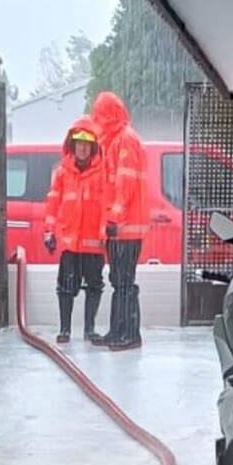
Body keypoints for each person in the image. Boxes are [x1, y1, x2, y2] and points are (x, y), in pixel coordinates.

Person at [91, 92, 148, 352]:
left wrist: (114, 217)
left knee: (124, 282)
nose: (98, 120)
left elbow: (125, 183)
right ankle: (119, 331)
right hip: (119, 227)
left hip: (125, 227)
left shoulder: (124, 140)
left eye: (101, 115)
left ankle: (129, 334)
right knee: (120, 281)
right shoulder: (115, 140)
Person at [44, 117, 109, 344]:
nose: (82, 148)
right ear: (72, 145)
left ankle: (89, 330)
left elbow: (106, 206)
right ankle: (65, 330)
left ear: (93, 146)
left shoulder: (102, 173)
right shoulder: (62, 172)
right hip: (70, 245)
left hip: (93, 244)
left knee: (94, 286)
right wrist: (48, 231)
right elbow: (53, 203)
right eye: (78, 143)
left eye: (86, 143)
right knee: (65, 287)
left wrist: (103, 234)